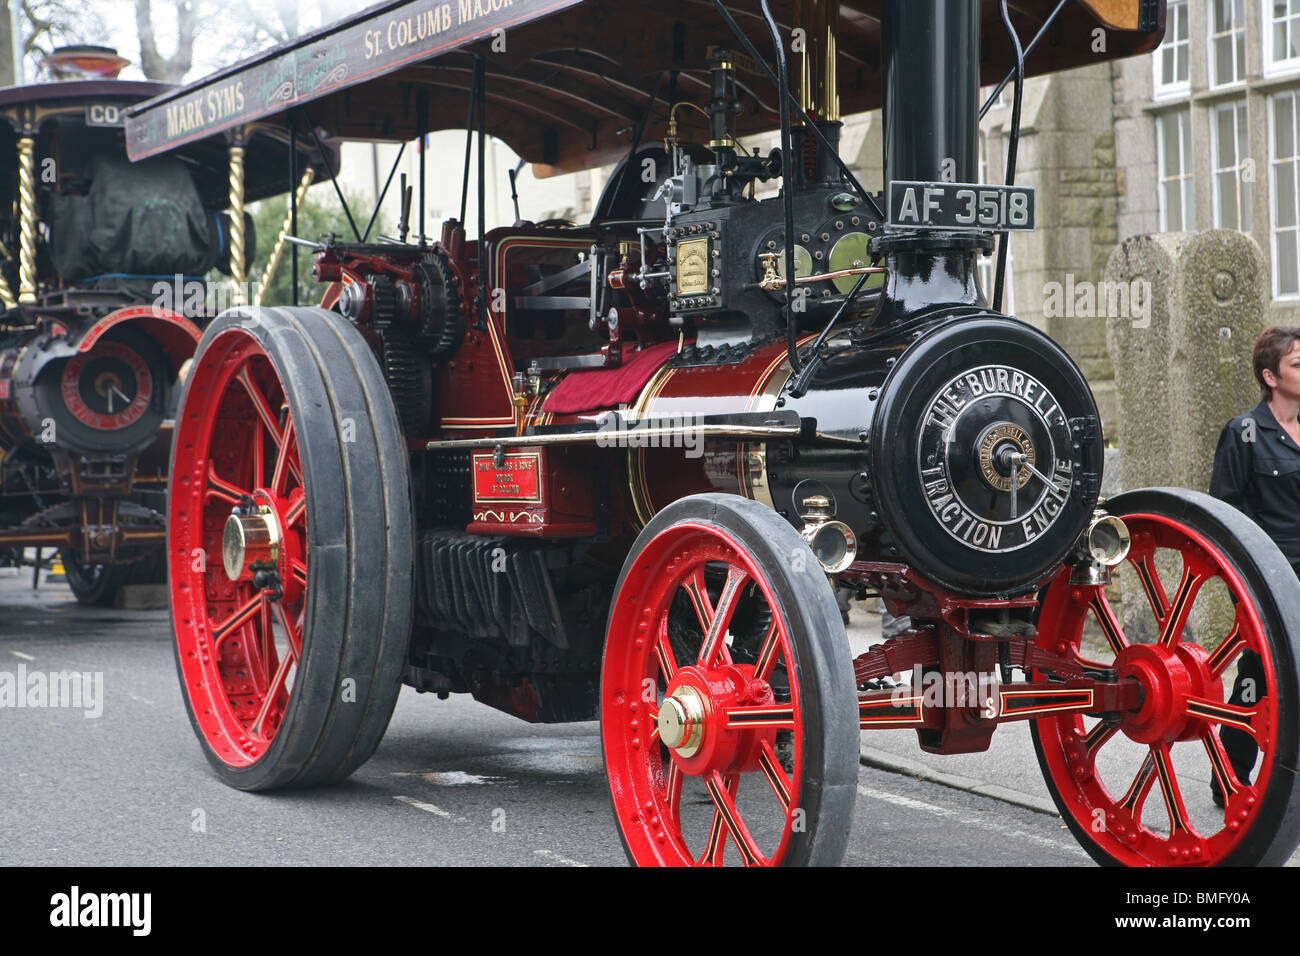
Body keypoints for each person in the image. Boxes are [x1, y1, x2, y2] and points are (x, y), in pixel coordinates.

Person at [1208, 326, 1300, 804]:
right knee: (1261, 676)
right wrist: (1244, 583)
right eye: (1297, 364)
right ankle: (1231, 774)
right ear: (1270, 376)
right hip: (1269, 574)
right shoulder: (1243, 432)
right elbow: (1225, 512)